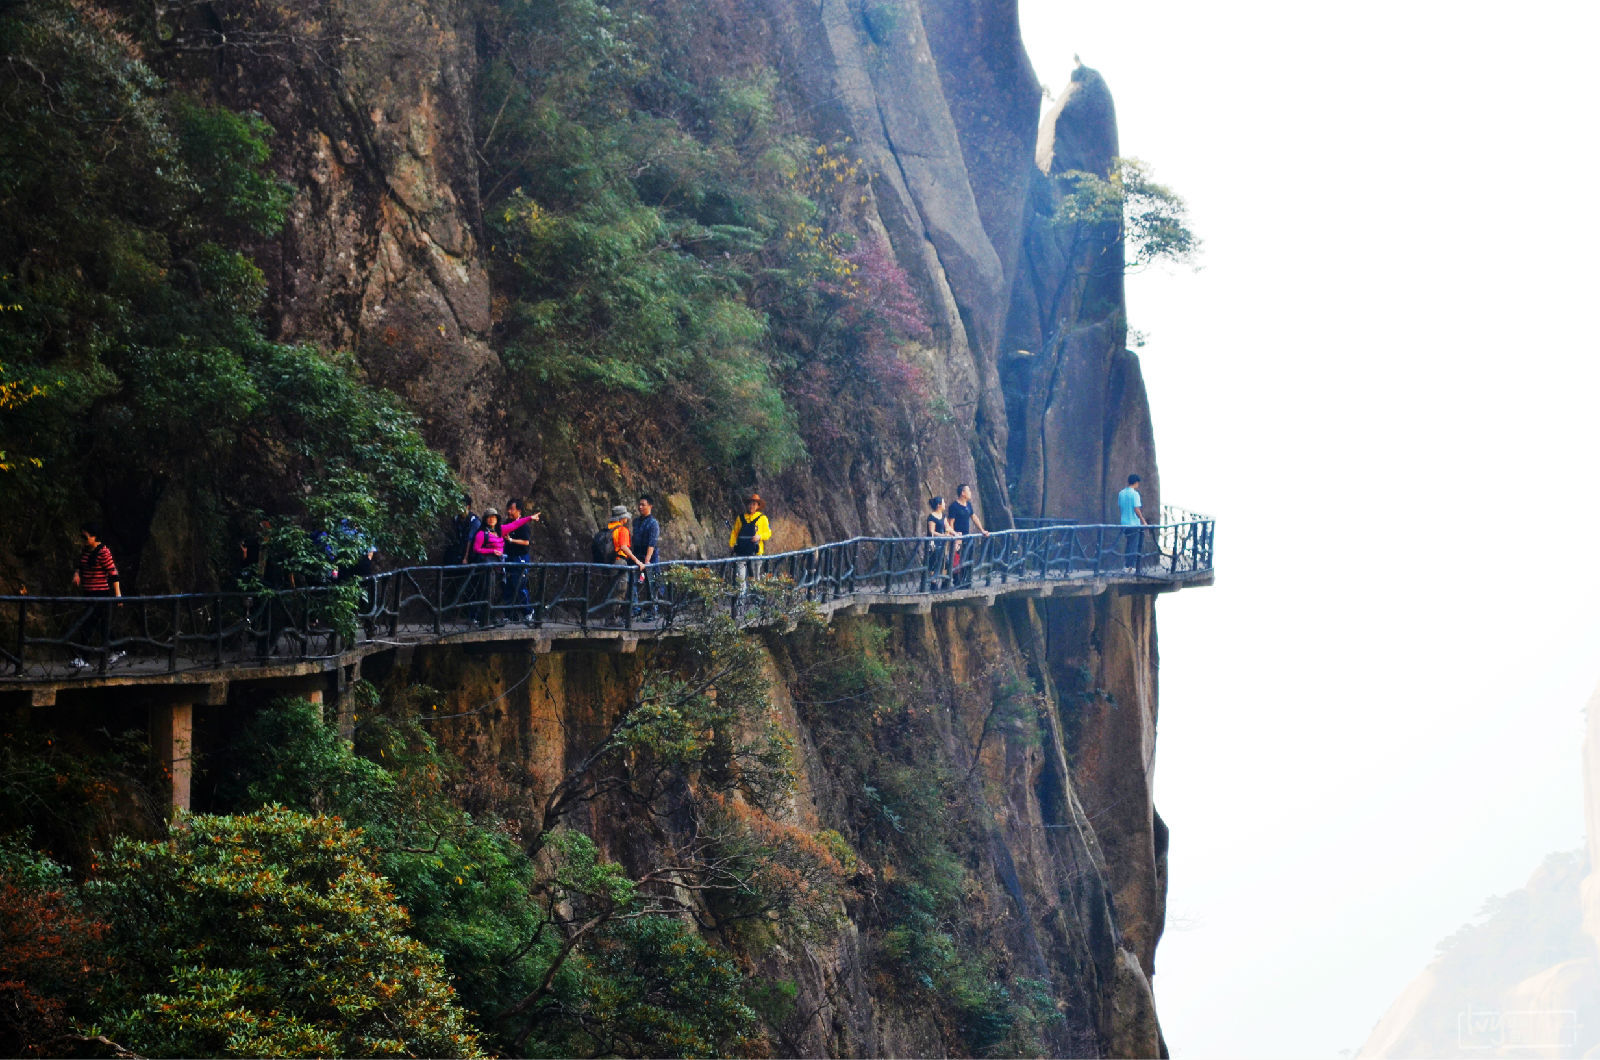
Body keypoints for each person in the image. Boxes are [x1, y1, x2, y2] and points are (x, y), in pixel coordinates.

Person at [69, 523, 123, 670]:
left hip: (100, 595)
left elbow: (113, 573)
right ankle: (118, 649)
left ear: (94, 537)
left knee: (88, 625)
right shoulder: (86, 550)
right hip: (89, 593)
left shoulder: (103, 552)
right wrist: (77, 574)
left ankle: (85, 658)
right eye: (81, 536)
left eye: (85, 537)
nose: (83, 540)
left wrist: (118, 595)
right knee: (102, 625)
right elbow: (81, 565)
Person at [500, 498, 542, 622]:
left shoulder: (523, 526)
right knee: (507, 585)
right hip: (508, 557)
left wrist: (512, 540)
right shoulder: (507, 523)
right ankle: (510, 615)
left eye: (512, 509)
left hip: (520, 558)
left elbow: (526, 542)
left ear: (519, 511)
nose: (509, 512)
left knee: (519, 584)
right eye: (508, 509)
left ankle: (528, 612)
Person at [728, 493, 771, 597]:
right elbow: (735, 532)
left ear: (758, 506)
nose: (751, 506)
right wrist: (732, 544)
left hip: (756, 551)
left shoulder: (762, 518)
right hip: (742, 550)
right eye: (750, 504)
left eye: (754, 504)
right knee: (740, 576)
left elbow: (768, 533)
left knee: (756, 576)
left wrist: (759, 536)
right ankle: (741, 597)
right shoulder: (741, 518)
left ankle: (756, 597)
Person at [946, 483, 989, 587]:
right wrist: (954, 536)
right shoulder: (954, 507)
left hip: (967, 537)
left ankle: (966, 581)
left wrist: (982, 530)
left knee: (967, 558)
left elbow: (974, 517)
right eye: (968, 491)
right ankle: (956, 581)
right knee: (956, 560)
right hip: (958, 537)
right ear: (963, 493)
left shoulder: (968, 505)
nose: (970, 493)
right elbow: (951, 522)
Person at [469, 508, 505, 625]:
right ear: (485, 519)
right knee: (483, 590)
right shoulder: (481, 533)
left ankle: (490, 616)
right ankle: (480, 617)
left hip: (497, 566)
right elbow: (476, 549)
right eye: (489, 517)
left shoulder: (498, 532)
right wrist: (491, 551)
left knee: (495, 592)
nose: (491, 519)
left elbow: (515, 525)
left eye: (494, 517)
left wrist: (529, 518)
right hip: (485, 567)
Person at [632, 495, 661, 617]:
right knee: (632, 582)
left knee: (651, 583)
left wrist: (647, 560)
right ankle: (635, 609)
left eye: (643, 504)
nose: (640, 507)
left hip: (650, 557)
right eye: (639, 504)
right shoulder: (636, 522)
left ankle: (652, 611)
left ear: (650, 506)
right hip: (637, 555)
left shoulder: (653, 523)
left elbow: (652, 542)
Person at [924, 496, 959, 589]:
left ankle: (944, 582)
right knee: (934, 563)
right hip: (934, 544)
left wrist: (955, 533)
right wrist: (943, 535)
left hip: (942, 544)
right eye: (943, 503)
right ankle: (933, 583)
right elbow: (932, 531)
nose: (945, 504)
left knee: (945, 562)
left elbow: (947, 527)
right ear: (939, 505)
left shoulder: (943, 516)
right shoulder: (932, 517)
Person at [1118, 474, 1148, 571]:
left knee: (1128, 544)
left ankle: (1126, 565)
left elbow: (1120, 506)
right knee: (1133, 545)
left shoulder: (1121, 493)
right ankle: (1129, 566)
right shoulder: (1135, 494)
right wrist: (1143, 520)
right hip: (1133, 523)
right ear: (1136, 483)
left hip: (1124, 523)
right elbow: (1136, 509)